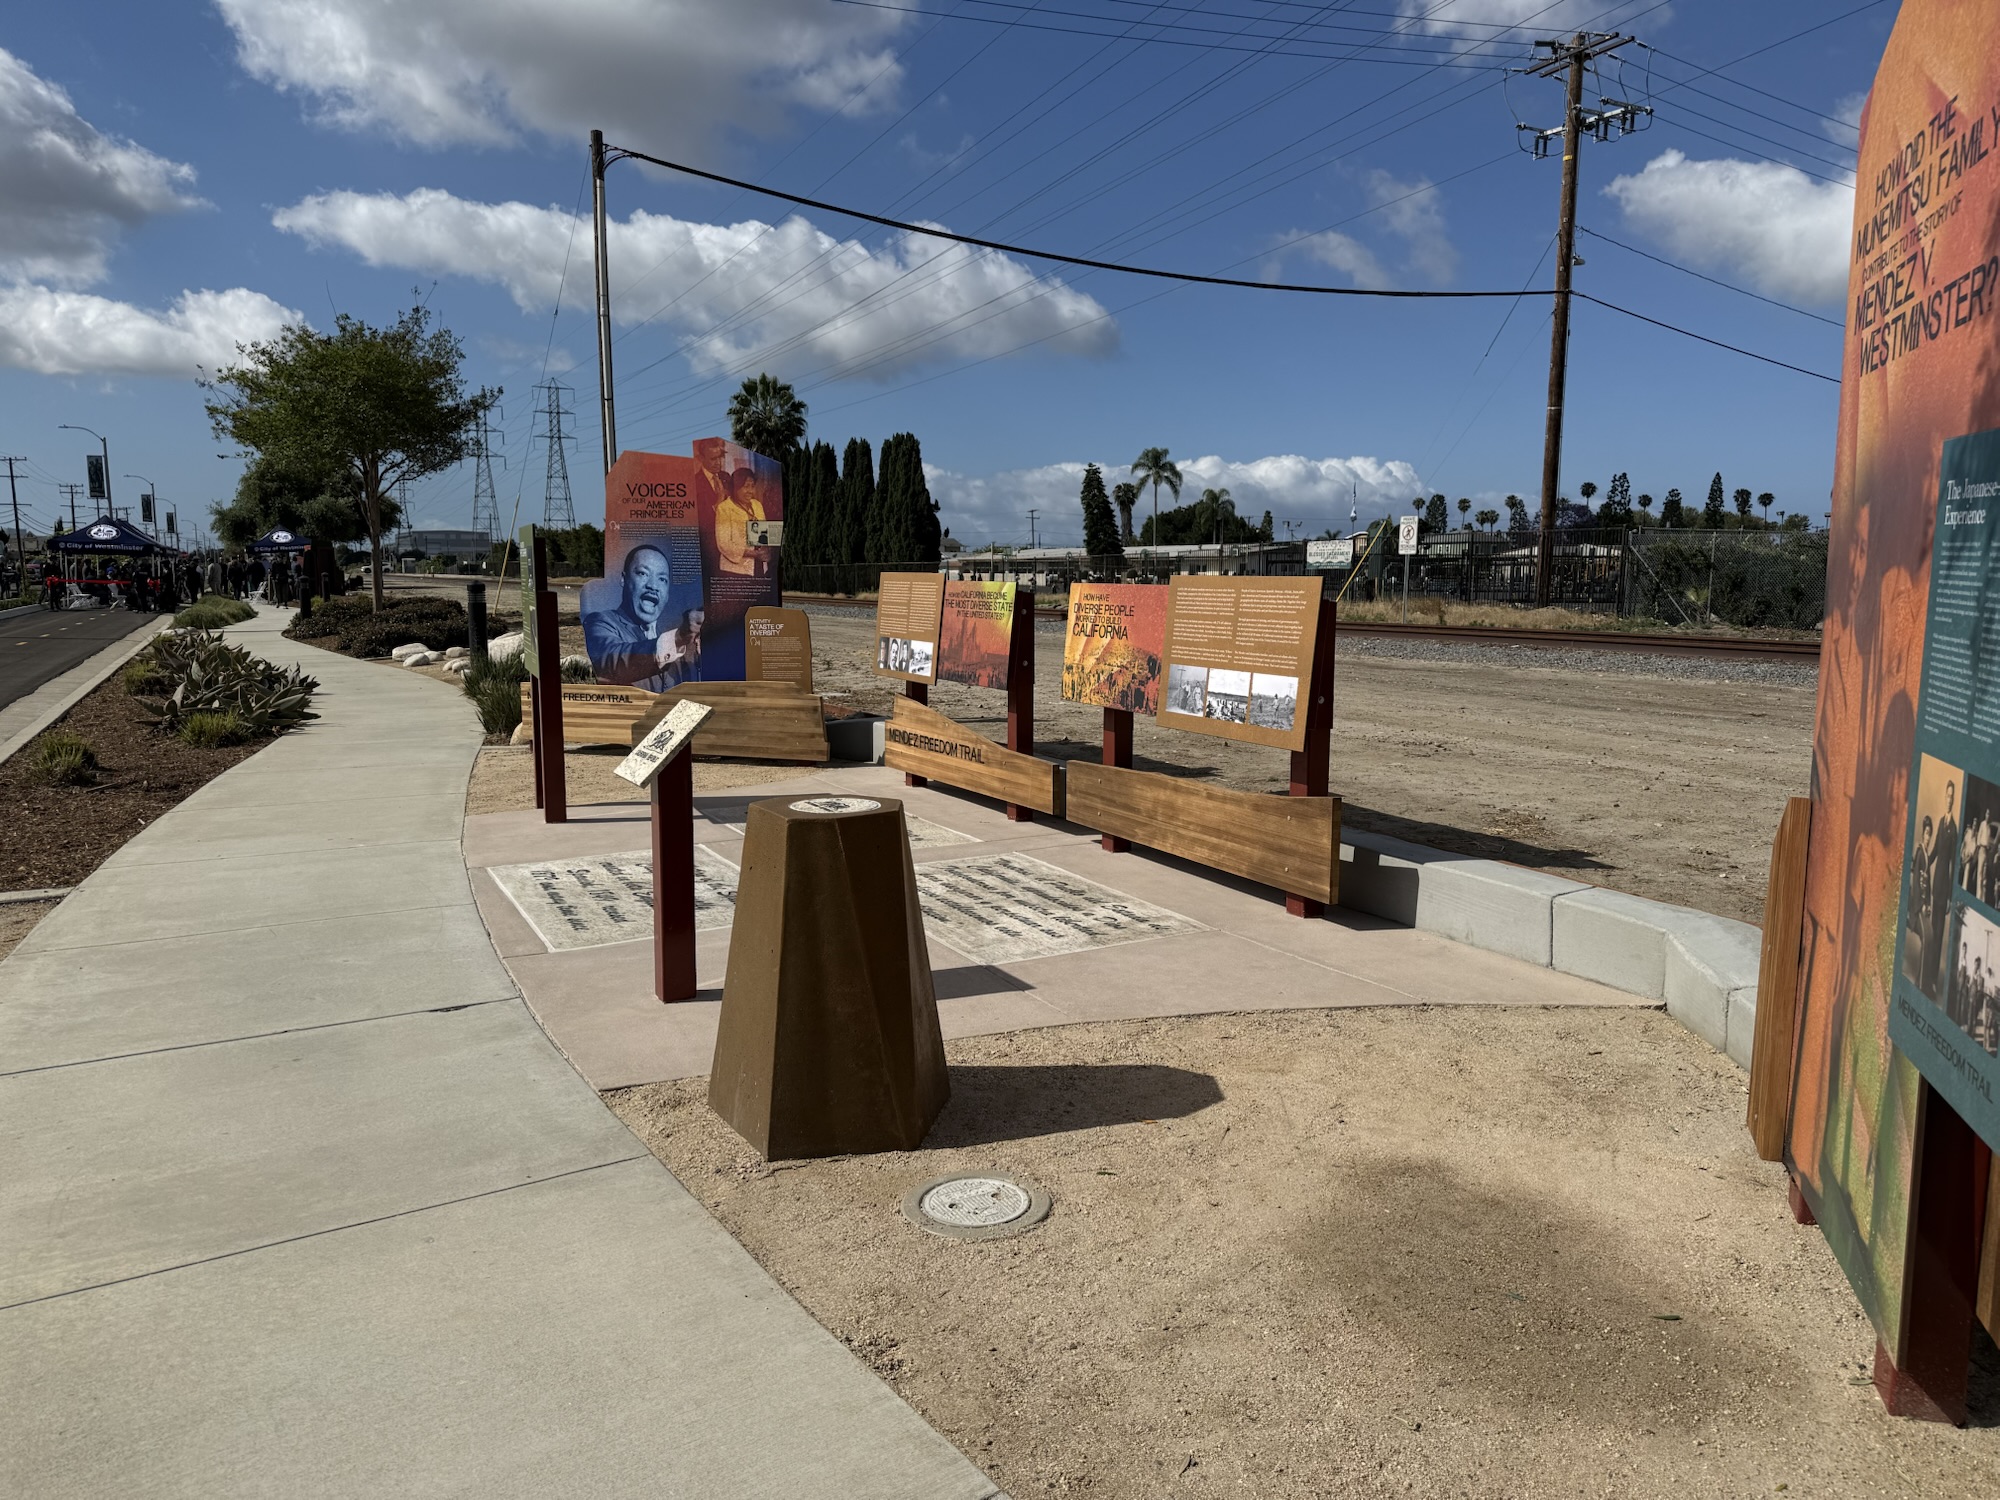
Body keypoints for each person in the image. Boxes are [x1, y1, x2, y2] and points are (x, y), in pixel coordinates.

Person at [582, 544, 702, 692]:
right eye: (642, 574)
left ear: (668, 592)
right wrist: (678, 638)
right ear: (623, 579)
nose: (653, 586)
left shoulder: (677, 636)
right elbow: (611, 662)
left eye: (662, 579)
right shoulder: (600, 622)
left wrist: (703, 654)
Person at [1930, 782, 1961, 996]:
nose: (1949, 799)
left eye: (1952, 796)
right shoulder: (1941, 822)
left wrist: (1950, 897)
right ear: (1944, 797)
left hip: (1944, 893)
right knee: (1932, 933)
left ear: (1954, 799)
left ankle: (1932, 981)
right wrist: (1922, 859)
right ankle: (1927, 977)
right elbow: (1934, 851)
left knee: (1939, 936)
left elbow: (1952, 864)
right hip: (1935, 887)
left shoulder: (1954, 829)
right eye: (1947, 795)